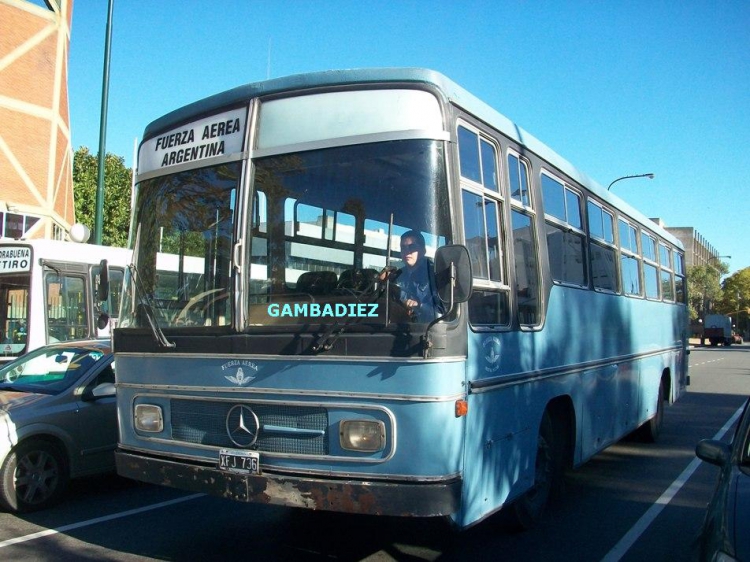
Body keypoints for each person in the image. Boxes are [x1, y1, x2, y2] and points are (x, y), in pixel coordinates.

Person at [386, 231, 443, 323]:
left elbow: (442, 311)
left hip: (426, 328)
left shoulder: (434, 274)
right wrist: (382, 283)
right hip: (398, 326)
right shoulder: (398, 275)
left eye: (412, 247)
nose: (407, 252)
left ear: (423, 250)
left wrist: (420, 306)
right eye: (403, 248)